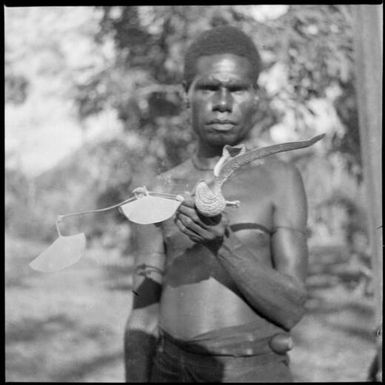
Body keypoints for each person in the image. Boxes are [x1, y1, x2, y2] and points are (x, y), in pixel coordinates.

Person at [124, 25, 308, 382]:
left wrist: (222, 244)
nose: (223, 104)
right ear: (186, 94)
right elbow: (143, 315)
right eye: (209, 87)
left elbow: (291, 308)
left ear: (255, 95)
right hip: (169, 368)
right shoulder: (159, 190)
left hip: (253, 370)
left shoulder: (279, 180)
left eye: (237, 89)